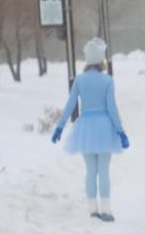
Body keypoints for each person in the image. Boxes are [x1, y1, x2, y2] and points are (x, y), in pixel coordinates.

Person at [51, 38, 130, 222]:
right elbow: (112, 108)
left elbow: (70, 105)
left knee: (90, 170)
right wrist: (120, 131)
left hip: (85, 128)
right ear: (101, 59)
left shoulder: (79, 80)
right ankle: (106, 210)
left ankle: (92, 209)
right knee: (103, 171)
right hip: (104, 128)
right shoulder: (107, 80)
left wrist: (59, 127)